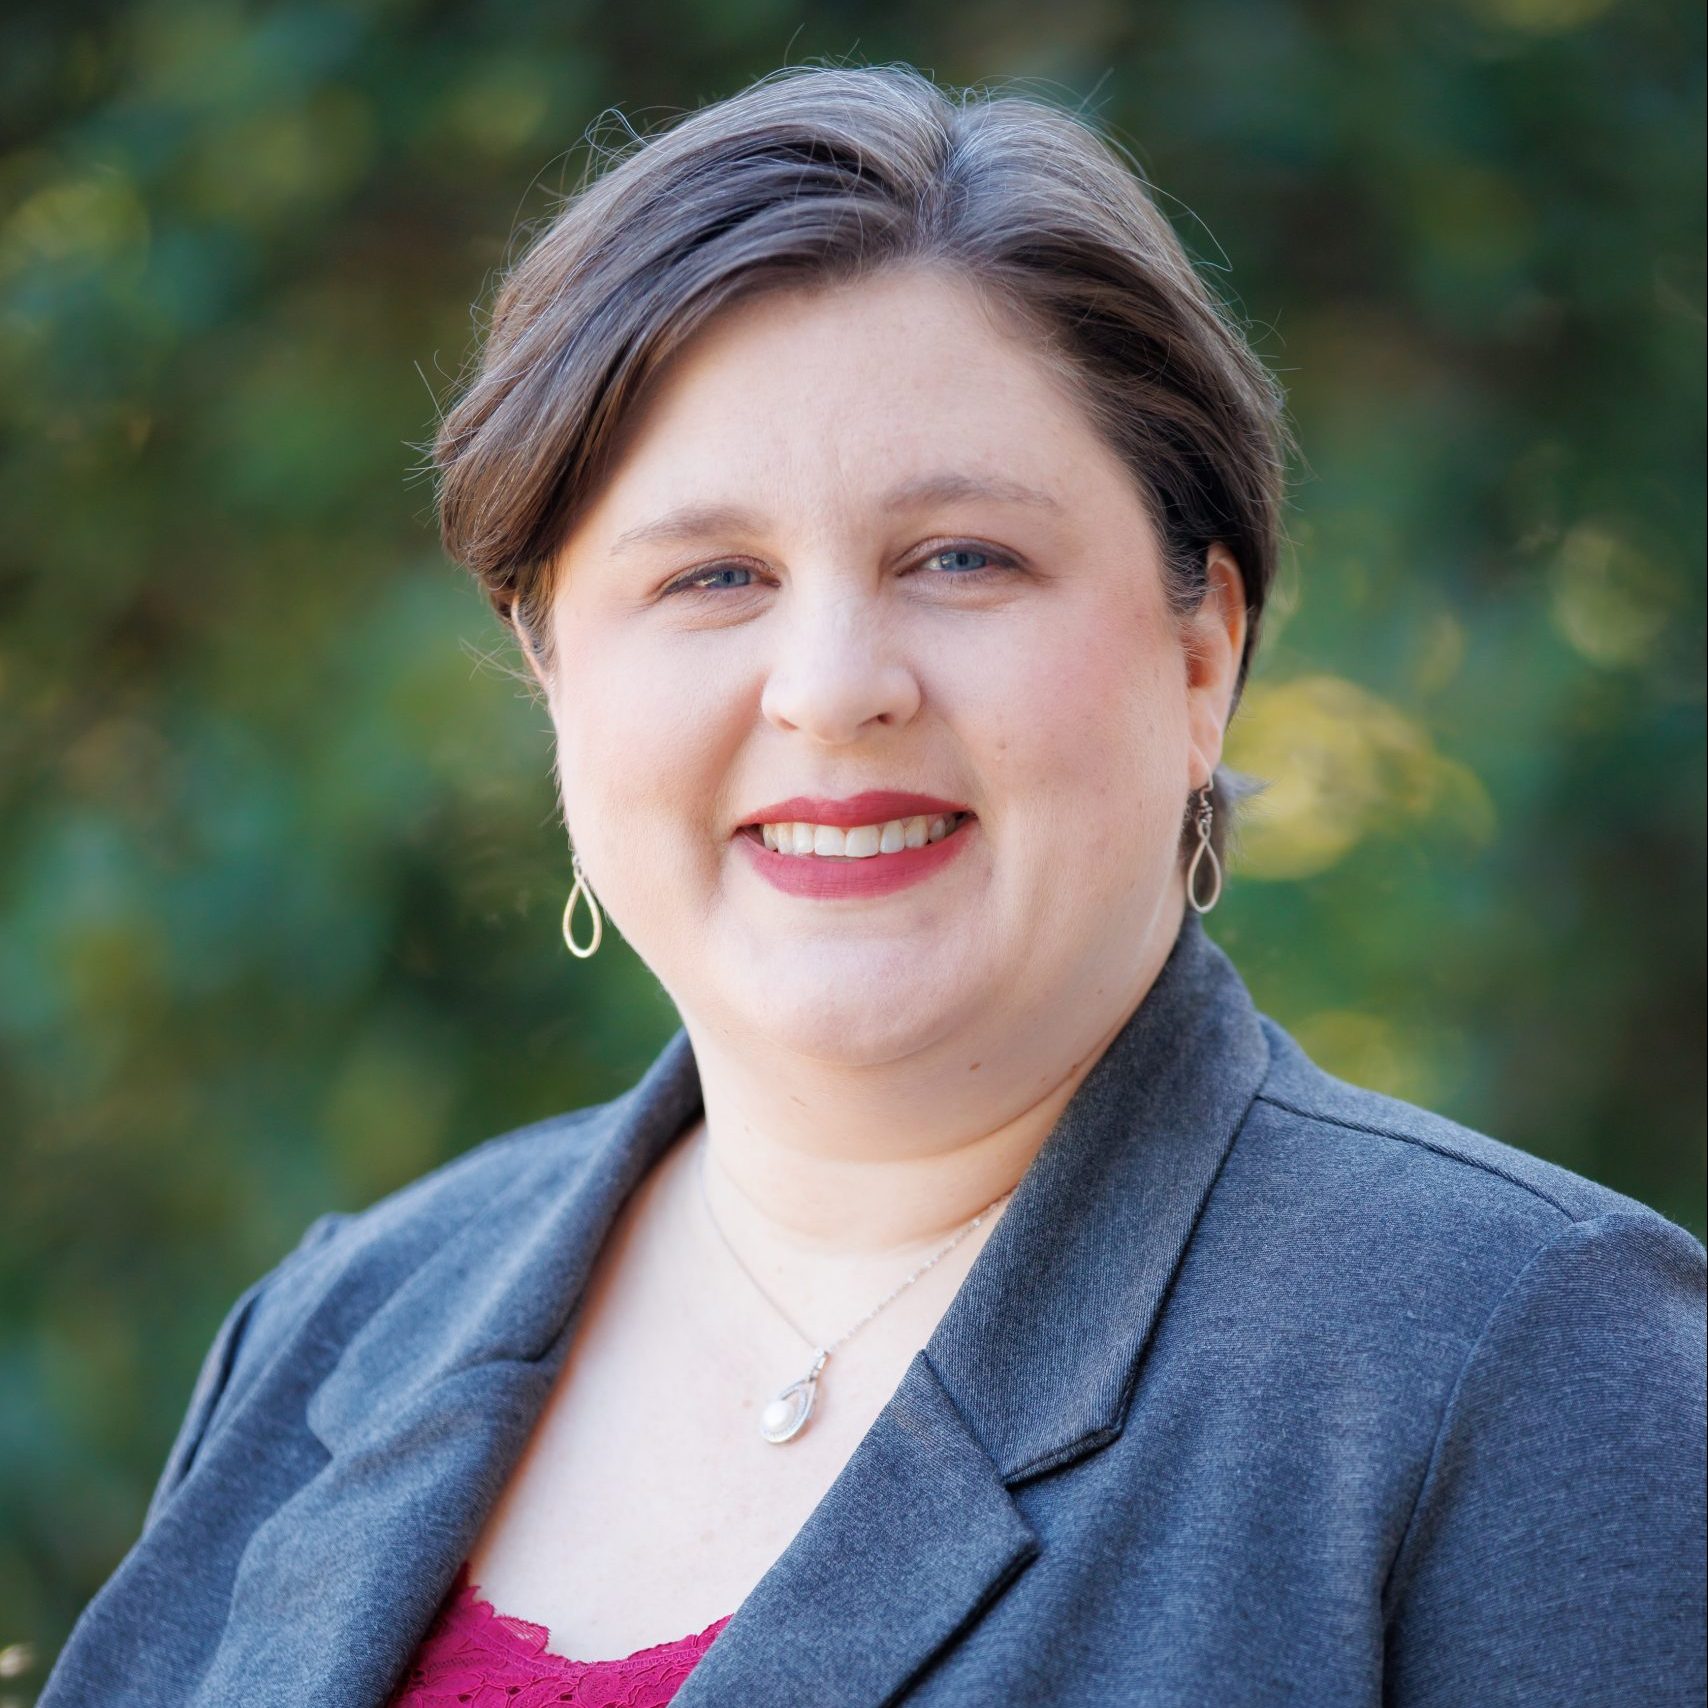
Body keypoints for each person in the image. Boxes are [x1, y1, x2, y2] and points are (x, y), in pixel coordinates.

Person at [40, 62, 1705, 1708]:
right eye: (714, 576)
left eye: (962, 557)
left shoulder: (1530, 1360)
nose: (833, 686)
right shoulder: (343, 1325)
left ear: (1202, 655)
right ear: (556, 681)